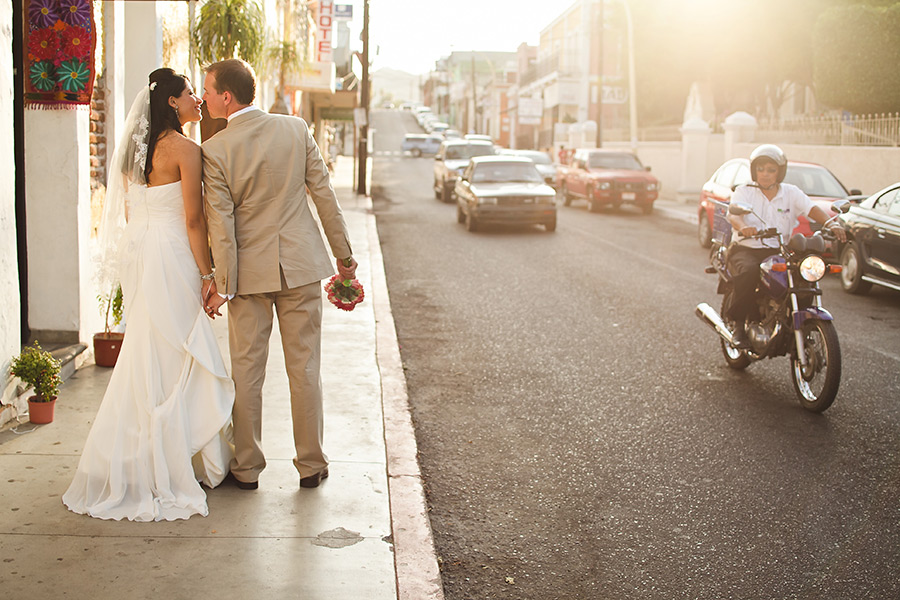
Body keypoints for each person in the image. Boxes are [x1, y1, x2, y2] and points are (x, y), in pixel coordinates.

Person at [63, 69, 235, 521]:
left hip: (142, 251)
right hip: (172, 253)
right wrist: (208, 273)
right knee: (178, 348)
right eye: (190, 94)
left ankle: (140, 455)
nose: (197, 99)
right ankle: (174, 461)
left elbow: (128, 209)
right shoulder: (186, 150)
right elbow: (193, 221)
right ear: (173, 103)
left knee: (149, 349)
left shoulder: (135, 153)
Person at [201, 59, 356, 490]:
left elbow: (221, 223)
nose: (203, 98)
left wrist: (223, 286)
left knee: (246, 373)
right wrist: (344, 257)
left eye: (208, 91)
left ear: (226, 96)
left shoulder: (215, 150)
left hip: (249, 275)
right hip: (302, 266)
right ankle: (312, 465)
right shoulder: (295, 129)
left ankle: (247, 469)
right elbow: (323, 194)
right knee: (305, 368)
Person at [724, 144, 846, 348]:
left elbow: (811, 208)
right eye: (761, 169)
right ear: (754, 170)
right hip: (746, 249)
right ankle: (738, 325)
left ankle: (794, 320)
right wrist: (744, 227)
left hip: (778, 250)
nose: (765, 174)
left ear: (780, 172)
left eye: (771, 170)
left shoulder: (790, 192)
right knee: (749, 272)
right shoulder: (745, 191)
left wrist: (830, 223)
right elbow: (733, 215)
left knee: (801, 274)